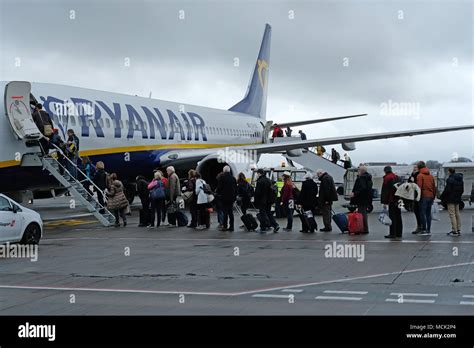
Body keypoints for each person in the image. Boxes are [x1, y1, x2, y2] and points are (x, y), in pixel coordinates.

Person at [254, 168, 280, 233]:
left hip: (262, 201)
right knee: (268, 213)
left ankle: (263, 228)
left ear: (259, 173)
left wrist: (255, 201)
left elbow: (257, 193)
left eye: (257, 173)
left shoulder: (260, 181)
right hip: (269, 200)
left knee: (262, 214)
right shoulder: (268, 180)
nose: (257, 175)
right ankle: (275, 225)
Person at [415, 161, 436, 236]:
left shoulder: (420, 176)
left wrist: (417, 197)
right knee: (428, 214)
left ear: (419, 167)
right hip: (430, 196)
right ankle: (428, 229)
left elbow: (418, 188)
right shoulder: (431, 176)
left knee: (422, 213)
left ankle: (424, 229)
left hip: (423, 196)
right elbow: (434, 187)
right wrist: (433, 196)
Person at [350, 165, 373, 234]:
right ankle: (364, 228)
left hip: (361, 199)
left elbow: (362, 188)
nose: (358, 172)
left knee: (362, 214)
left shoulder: (362, 178)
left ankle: (363, 229)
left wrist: (355, 193)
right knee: (363, 213)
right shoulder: (368, 178)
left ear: (361, 171)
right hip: (366, 198)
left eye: (359, 170)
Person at [381, 166, 402, 239]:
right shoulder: (397, 177)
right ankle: (399, 233)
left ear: (385, 171)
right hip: (399, 199)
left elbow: (385, 191)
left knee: (392, 216)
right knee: (398, 216)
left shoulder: (387, 178)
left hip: (392, 200)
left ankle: (393, 233)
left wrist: (384, 202)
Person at [441, 168, 464, 236]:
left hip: (450, 199)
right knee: (457, 213)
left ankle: (454, 230)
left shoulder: (450, 179)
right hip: (457, 198)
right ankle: (458, 228)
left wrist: (442, 197)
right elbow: (462, 190)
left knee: (452, 214)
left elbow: (447, 190)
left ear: (449, 172)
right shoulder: (460, 179)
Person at [216, 166, 237, 232]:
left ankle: (225, 226)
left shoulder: (221, 177)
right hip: (231, 198)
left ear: (224, 170)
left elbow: (219, 187)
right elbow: (235, 188)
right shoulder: (233, 178)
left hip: (224, 197)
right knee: (231, 212)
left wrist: (218, 193)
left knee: (225, 212)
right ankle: (232, 227)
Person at [409, 165, 422, 233]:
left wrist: (413, 181)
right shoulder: (412, 175)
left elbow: (417, 186)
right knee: (416, 211)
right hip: (413, 195)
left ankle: (420, 227)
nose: (414, 169)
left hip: (418, 196)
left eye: (416, 168)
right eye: (414, 168)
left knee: (418, 212)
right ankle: (419, 226)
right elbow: (409, 183)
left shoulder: (419, 175)